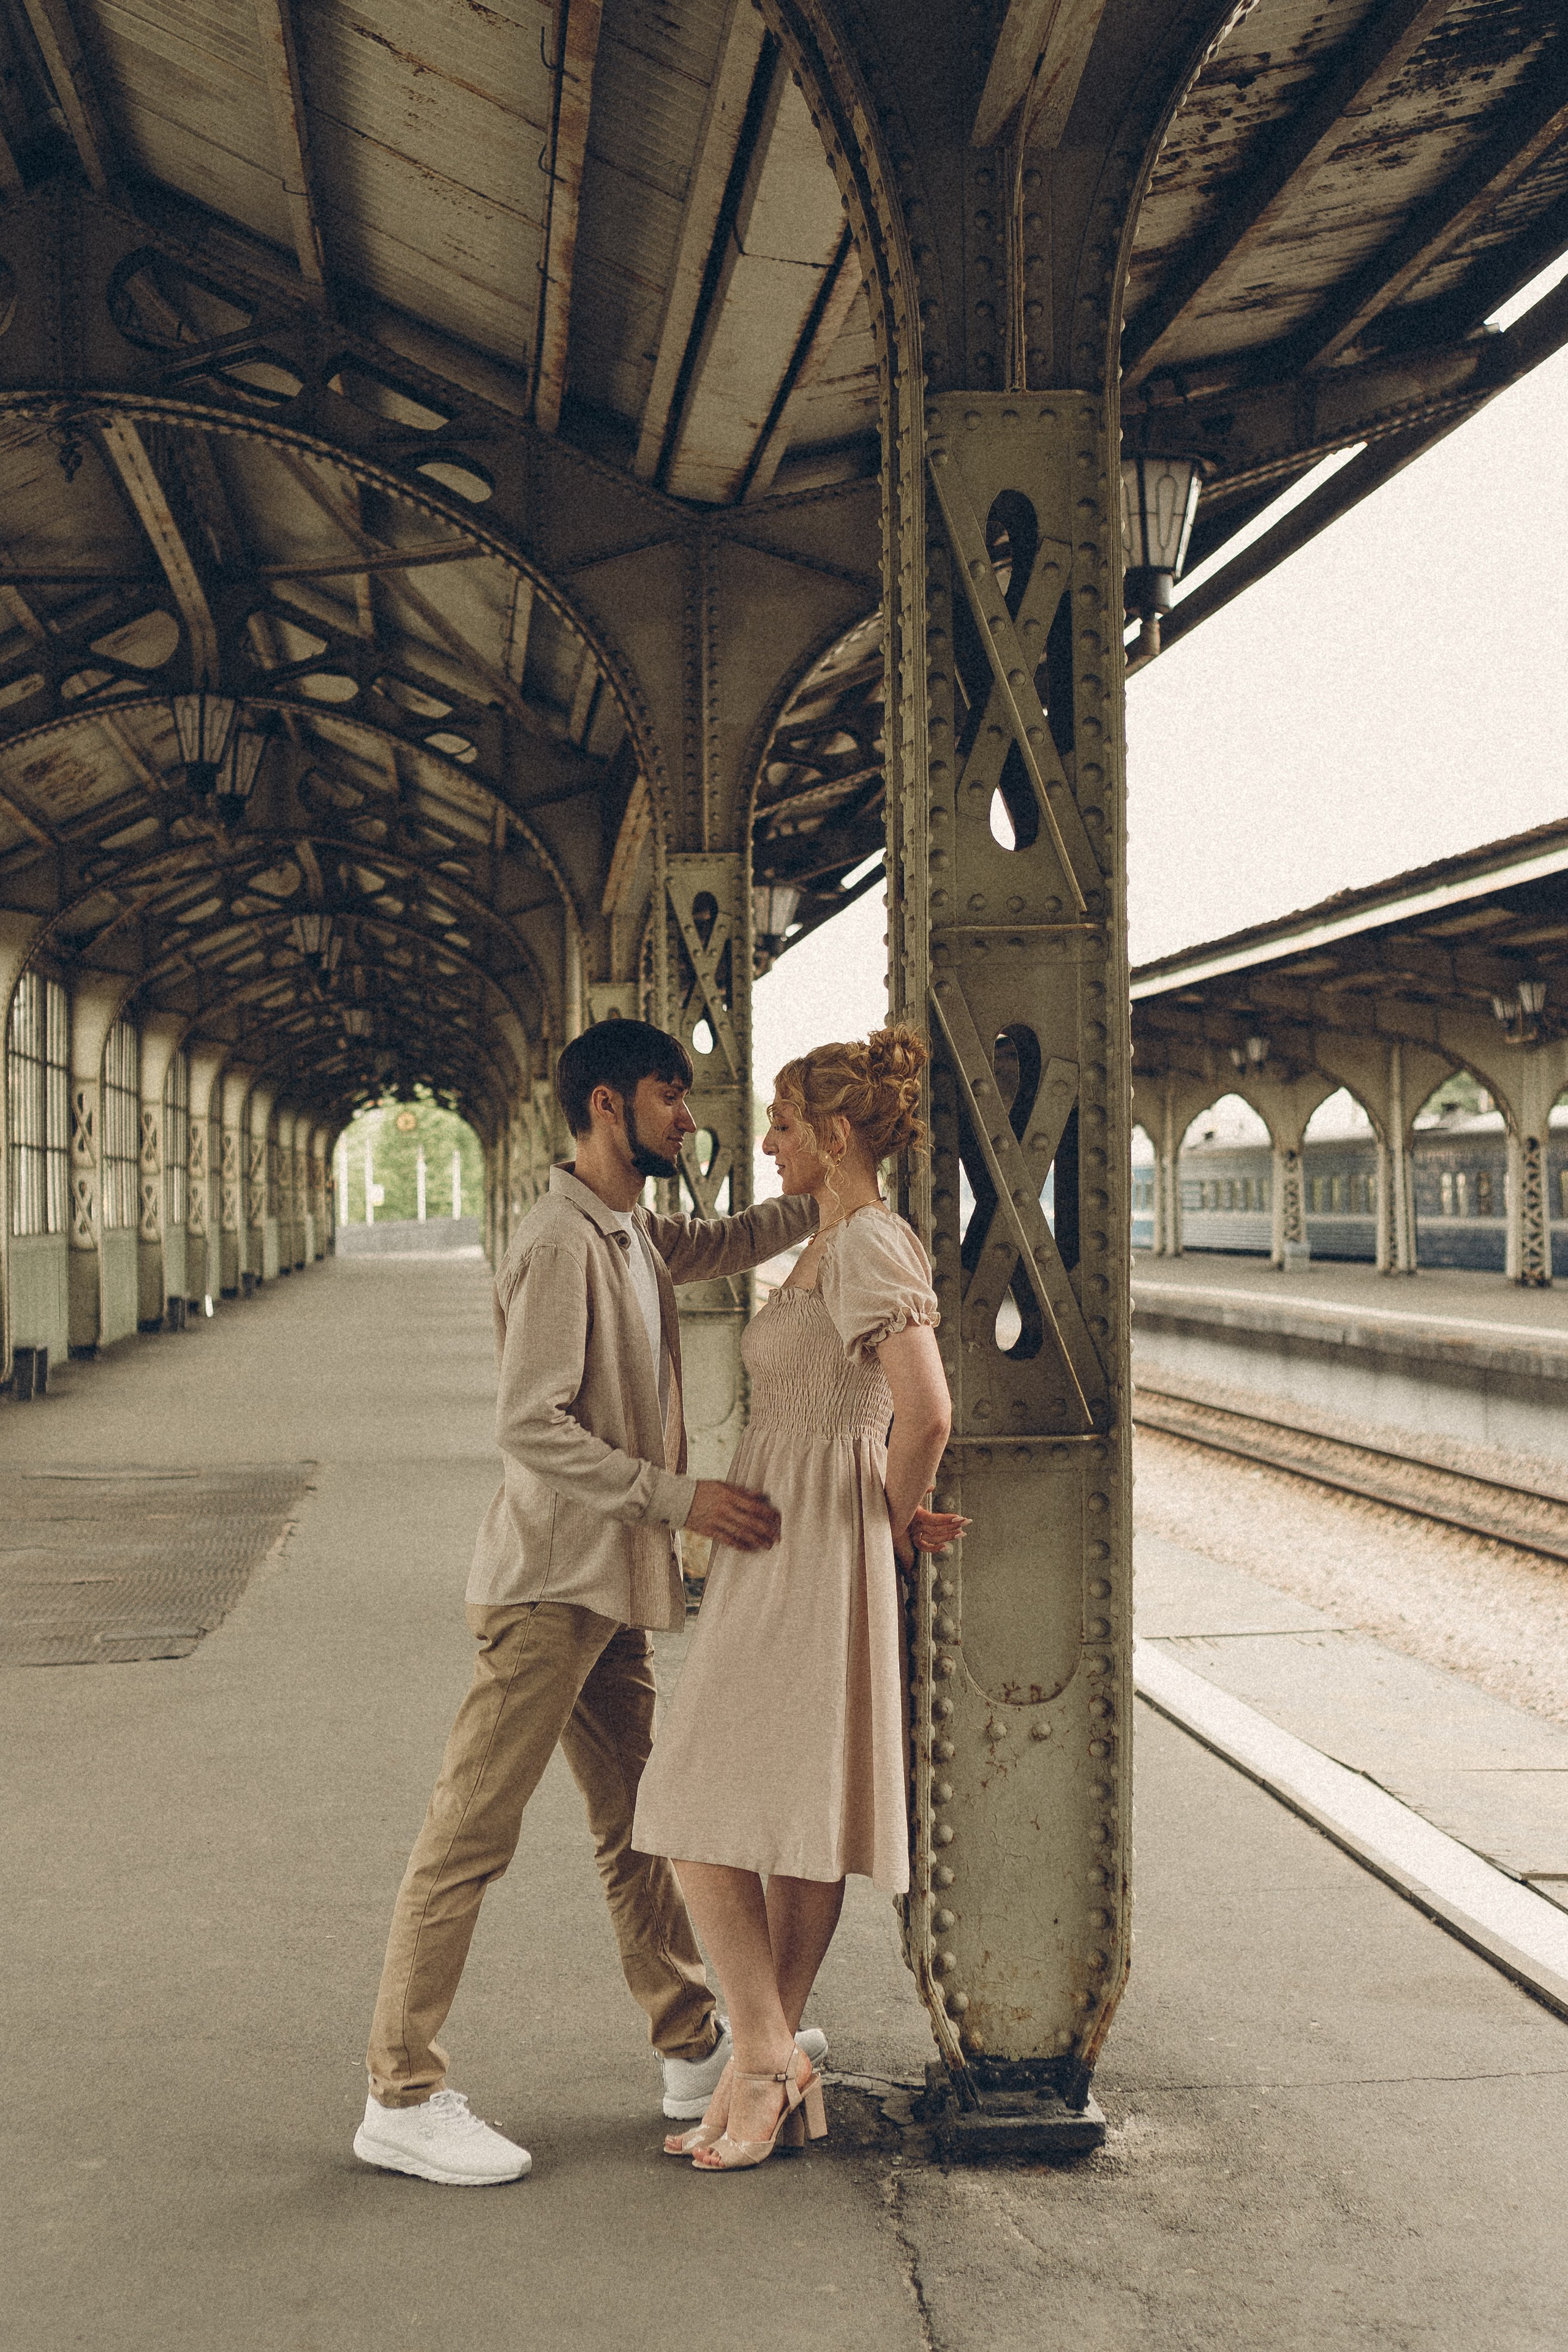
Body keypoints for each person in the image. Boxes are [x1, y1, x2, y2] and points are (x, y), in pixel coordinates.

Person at [353, 1018, 823, 2187]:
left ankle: (689, 2044)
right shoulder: (562, 1242)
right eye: (674, 1096)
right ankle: (399, 2091)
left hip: (604, 1592)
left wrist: (841, 1190)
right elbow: (528, 1423)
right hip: (549, 1592)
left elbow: (725, 1238)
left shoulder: (626, 1229)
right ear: (610, 1106)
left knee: (642, 1821)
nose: (692, 1117)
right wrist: (680, 1499)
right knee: (470, 1834)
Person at [632, 1026, 967, 2172]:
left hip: (816, 1540)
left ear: (830, 1140)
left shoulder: (870, 1240)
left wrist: (885, 1516)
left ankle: (765, 2053)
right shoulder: (828, 1243)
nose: (764, 1144)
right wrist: (884, 1508)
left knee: (686, 1793)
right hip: (794, 1536)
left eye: (780, 1127)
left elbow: (925, 1411)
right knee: (787, 1803)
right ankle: (767, 2062)